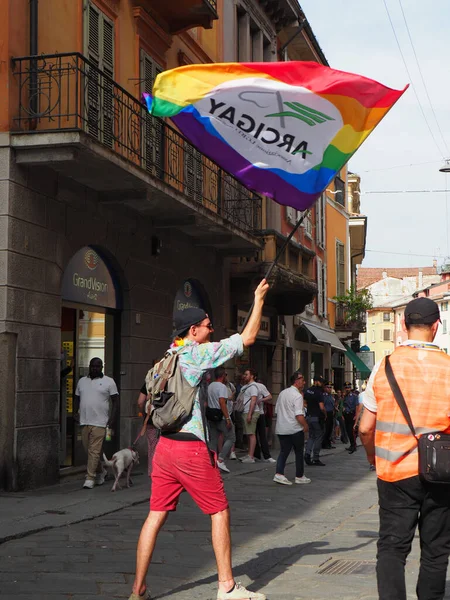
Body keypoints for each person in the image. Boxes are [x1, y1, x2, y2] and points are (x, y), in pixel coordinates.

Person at [129, 279, 269, 600]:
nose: (211, 331)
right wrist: (258, 298)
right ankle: (227, 587)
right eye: (208, 326)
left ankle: (138, 590)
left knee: (155, 515)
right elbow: (247, 338)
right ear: (193, 330)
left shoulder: (167, 357)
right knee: (219, 511)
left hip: (164, 446)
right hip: (190, 448)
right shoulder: (196, 355)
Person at [359, 297, 450, 600]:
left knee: (392, 548)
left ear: (403, 325)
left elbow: (364, 427)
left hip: (394, 472)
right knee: (436, 549)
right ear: (436, 327)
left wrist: (373, 456)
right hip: (441, 474)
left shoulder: (384, 367)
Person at [74, 357, 119, 490]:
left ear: (101, 368)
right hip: (84, 420)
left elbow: (115, 401)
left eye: (97, 366)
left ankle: (90, 477)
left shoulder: (109, 382)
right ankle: (101, 471)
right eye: (92, 366)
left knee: (94, 450)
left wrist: (112, 418)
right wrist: (74, 412)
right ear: (89, 366)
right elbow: (76, 398)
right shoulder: (82, 381)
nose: (95, 368)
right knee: (89, 450)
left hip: (100, 422)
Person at [273, 372, 311, 486]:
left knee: (284, 451)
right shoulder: (298, 396)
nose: (304, 382)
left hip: (282, 428)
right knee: (299, 452)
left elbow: (277, 410)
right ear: (296, 380)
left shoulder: (282, 393)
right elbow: (299, 415)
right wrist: (305, 425)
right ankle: (299, 476)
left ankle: (279, 473)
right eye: (302, 379)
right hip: (294, 429)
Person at [207, 367, 236, 473]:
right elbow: (222, 402)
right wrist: (228, 418)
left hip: (211, 416)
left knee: (213, 439)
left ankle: (212, 461)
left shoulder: (210, 386)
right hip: (222, 416)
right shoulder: (222, 387)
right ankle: (221, 459)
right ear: (223, 375)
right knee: (231, 437)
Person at [239, 368, 261, 464]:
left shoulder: (253, 387)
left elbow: (253, 400)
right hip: (246, 411)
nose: (245, 376)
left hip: (250, 412)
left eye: (246, 374)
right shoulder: (246, 386)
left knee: (251, 434)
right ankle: (249, 454)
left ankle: (251, 456)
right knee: (248, 433)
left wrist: (250, 414)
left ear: (252, 376)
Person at [137, 382, 159, 478]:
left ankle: (152, 471)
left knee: (152, 446)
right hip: (168, 420)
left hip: (151, 420)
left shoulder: (148, 382)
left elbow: (140, 402)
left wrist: (145, 415)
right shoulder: (172, 379)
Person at [304, 375, 327, 466]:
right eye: (321, 382)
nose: (322, 384)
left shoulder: (308, 391)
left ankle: (307, 454)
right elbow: (322, 407)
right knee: (318, 436)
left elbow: (304, 403)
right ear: (316, 381)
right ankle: (316, 458)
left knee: (311, 436)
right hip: (317, 417)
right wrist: (325, 414)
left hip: (309, 416)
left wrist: (310, 408)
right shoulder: (319, 392)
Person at [253, 380, 276, 463]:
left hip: (260, 413)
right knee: (253, 435)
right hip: (250, 413)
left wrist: (261, 400)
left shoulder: (260, 386)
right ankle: (256, 455)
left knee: (262, 435)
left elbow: (269, 396)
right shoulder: (245, 387)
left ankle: (266, 455)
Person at [343, 382, 359, 453]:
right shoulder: (344, 396)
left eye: (348, 387)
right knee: (348, 430)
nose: (347, 389)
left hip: (352, 414)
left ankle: (354, 445)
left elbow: (357, 406)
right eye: (346, 388)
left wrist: (356, 415)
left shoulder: (354, 396)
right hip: (346, 414)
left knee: (352, 431)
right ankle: (351, 444)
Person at [322, 381, 336, 449]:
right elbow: (323, 406)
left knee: (330, 429)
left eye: (331, 387)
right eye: (328, 387)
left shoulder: (331, 396)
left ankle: (328, 442)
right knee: (326, 429)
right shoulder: (323, 396)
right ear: (325, 388)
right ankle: (324, 444)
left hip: (331, 413)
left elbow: (332, 405)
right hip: (326, 414)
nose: (330, 389)